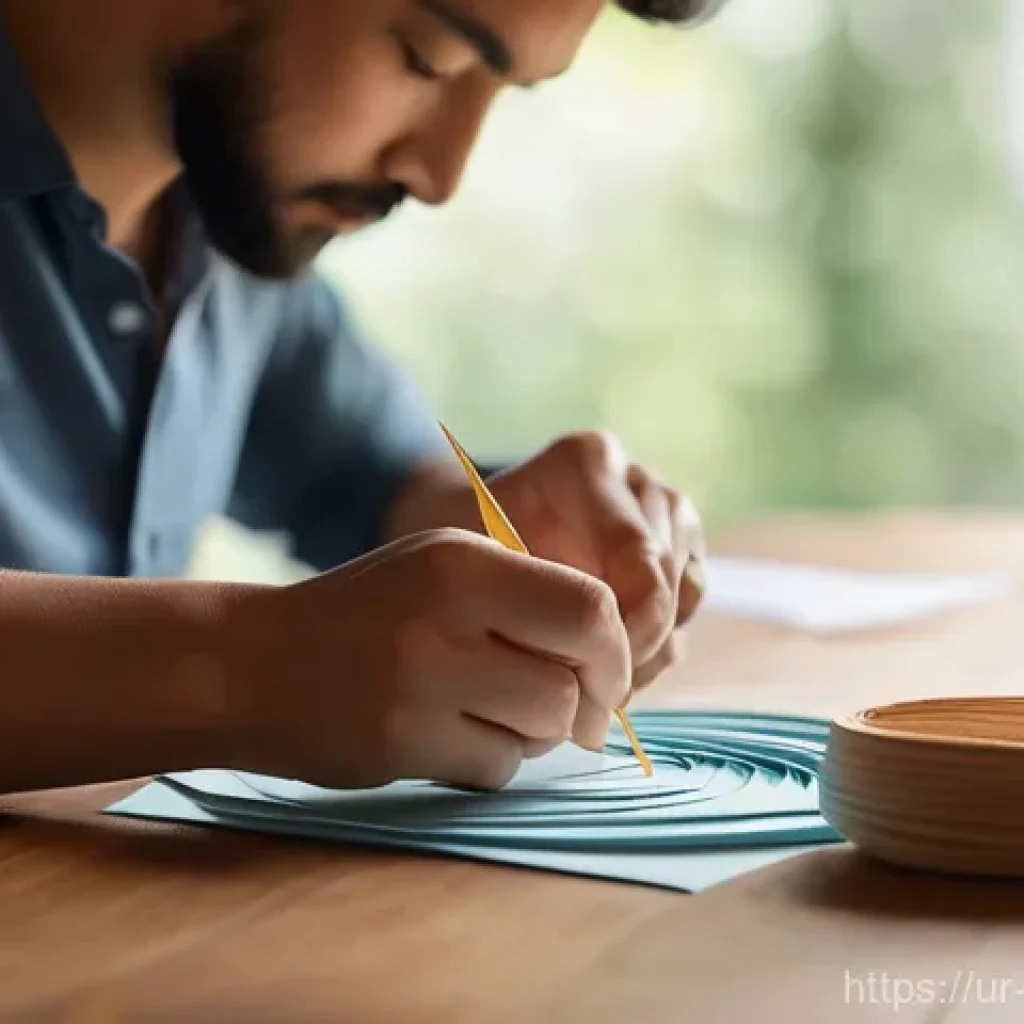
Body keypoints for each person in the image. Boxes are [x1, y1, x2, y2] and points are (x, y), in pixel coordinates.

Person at [0, 0, 718, 797]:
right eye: (427, 58)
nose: (442, 175)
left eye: (504, 90)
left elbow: (364, 475)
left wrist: (517, 536)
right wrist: (243, 671)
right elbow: (271, 654)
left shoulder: (224, 208)